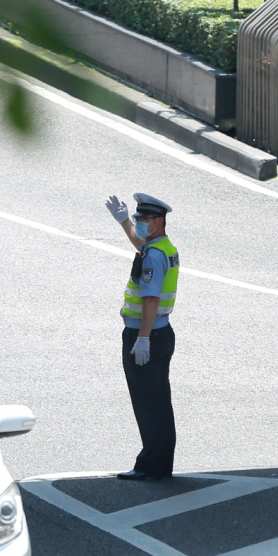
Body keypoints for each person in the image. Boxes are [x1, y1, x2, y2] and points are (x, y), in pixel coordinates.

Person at [106, 192, 179, 481]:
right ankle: (160, 462)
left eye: (145, 220)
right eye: (139, 219)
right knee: (158, 399)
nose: (141, 224)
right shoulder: (160, 247)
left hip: (146, 334)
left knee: (148, 402)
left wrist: (143, 338)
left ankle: (151, 464)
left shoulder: (155, 254)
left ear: (159, 221)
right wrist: (124, 222)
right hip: (160, 333)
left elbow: (150, 299)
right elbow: (140, 242)